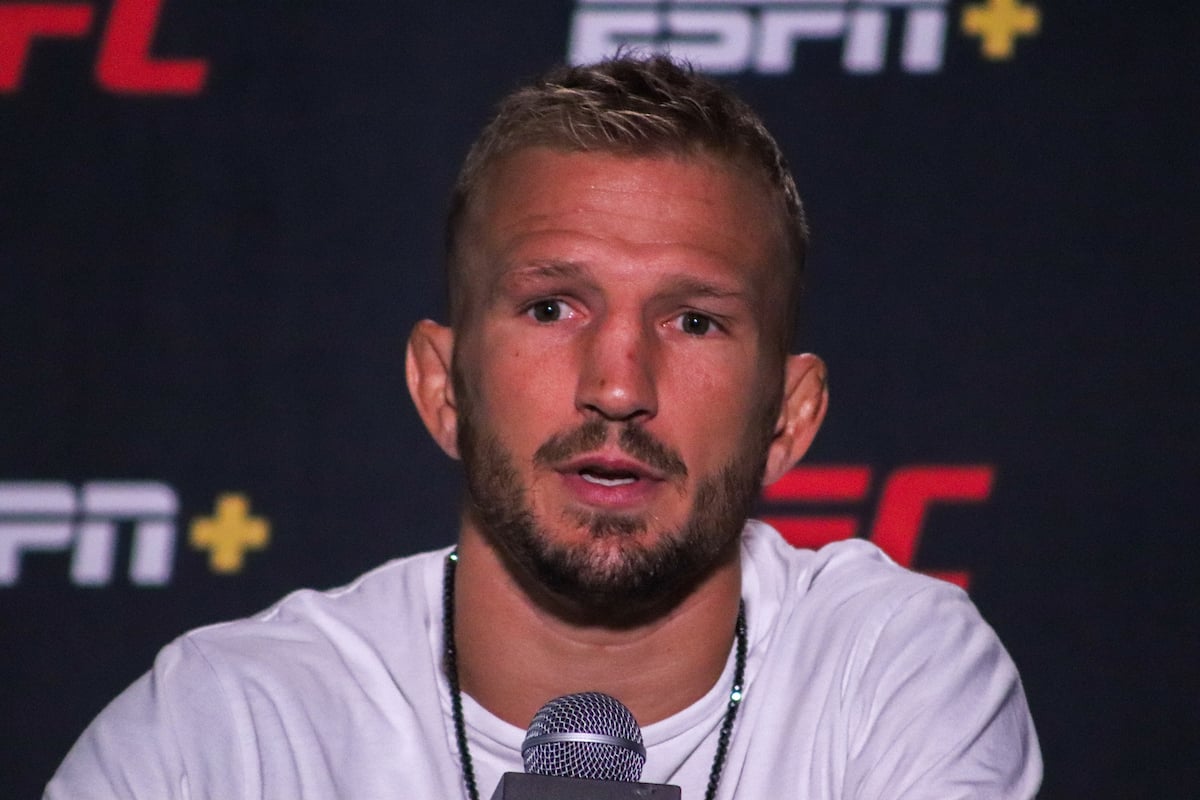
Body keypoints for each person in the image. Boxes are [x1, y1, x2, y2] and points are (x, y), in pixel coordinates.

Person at [45, 54, 1041, 799]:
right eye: (552, 307)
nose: (618, 385)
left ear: (789, 416)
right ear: (443, 386)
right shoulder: (227, 723)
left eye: (693, 321)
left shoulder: (888, 669)